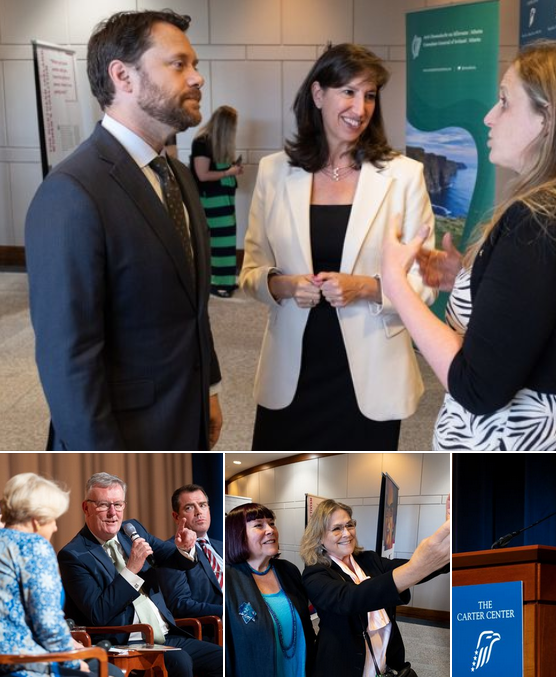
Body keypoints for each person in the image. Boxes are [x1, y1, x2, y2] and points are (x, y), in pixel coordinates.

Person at [381, 40, 556, 451]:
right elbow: (544, 312)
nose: (489, 117)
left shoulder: (541, 219)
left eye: (505, 102)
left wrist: (395, 283)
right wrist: (468, 276)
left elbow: (476, 388)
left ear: (549, 118)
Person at [24, 9, 222, 451]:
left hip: (182, 416)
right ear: (123, 76)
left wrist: (207, 390)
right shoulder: (72, 193)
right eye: (178, 64)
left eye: (195, 65)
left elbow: (191, 307)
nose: (196, 78)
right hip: (121, 439)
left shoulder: (179, 176)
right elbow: (68, 361)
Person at [241, 43, 436, 451]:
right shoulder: (275, 172)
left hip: (371, 372)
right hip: (292, 368)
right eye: (348, 92)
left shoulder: (404, 176)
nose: (360, 107)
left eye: (369, 95)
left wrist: (365, 287)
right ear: (317, 94)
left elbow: (425, 282)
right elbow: (251, 272)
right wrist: (286, 285)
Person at [57, 473, 223, 677]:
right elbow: (98, 613)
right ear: (86, 508)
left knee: (221, 659)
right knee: (179, 661)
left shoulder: (132, 530)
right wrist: (131, 569)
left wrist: (183, 548)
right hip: (124, 641)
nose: (113, 513)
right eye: (103, 505)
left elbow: (171, 558)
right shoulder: (74, 555)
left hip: (165, 635)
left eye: (118, 505)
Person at [300, 498, 450, 677]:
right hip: (344, 664)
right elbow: (350, 599)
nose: (347, 533)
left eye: (349, 525)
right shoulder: (315, 574)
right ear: (319, 538)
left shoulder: (369, 559)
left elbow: (409, 570)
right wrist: (416, 567)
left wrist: (443, 552)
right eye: (337, 529)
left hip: (385, 660)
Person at [0, 473, 89, 677]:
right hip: (22, 664)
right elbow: (48, 624)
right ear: (37, 520)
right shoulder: (34, 546)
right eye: (53, 520)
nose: (56, 527)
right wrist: (74, 662)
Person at [223, 503, 316, 677]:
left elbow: (308, 628)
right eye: (259, 525)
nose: (270, 530)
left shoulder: (289, 570)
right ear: (238, 535)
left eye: (272, 523)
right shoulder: (229, 580)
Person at [190, 105, 244, 298]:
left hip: (224, 197)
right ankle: (216, 282)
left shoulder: (215, 142)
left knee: (227, 237)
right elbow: (202, 175)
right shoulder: (202, 142)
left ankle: (227, 279)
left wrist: (232, 169)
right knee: (218, 240)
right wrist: (229, 172)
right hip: (211, 199)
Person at [158, 484, 223, 623]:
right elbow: (180, 605)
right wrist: (227, 611)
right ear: (176, 517)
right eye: (189, 507)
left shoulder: (223, 546)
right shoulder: (169, 551)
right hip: (210, 630)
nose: (199, 512)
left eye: (203, 505)